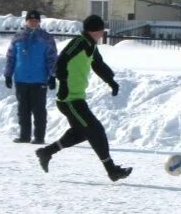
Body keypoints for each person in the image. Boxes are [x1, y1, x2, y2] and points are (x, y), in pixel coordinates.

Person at [34, 14, 132, 181]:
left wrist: (112, 82)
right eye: (101, 30)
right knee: (96, 130)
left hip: (77, 98)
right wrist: (63, 83)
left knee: (81, 133)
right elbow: (61, 61)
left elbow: (99, 65)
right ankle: (111, 170)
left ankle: (46, 152)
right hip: (69, 100)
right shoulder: (79, 42)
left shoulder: (91, 46)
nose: (102, 34)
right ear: (95, 30)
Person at [3, 9, 58, 144]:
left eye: (35, 20)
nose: (33, 23)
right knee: (23, 110)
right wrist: (8, 75)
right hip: (21, 79)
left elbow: (52, 58)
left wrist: (52, 75)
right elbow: (11, 57)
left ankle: (39, 137)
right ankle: (24, 135)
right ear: (26, 21)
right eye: (30, 20)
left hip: (39, 80)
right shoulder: (18, 37)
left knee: (39, 110)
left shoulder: (46, 38)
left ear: (39, 22)